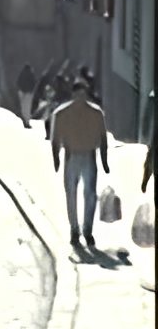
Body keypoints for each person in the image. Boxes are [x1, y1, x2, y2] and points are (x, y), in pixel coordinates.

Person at [50, 80, 110, 248]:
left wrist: (104, 160)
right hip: (73, 156)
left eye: (82, 94)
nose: (80, 98)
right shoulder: (62, 113)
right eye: (78, 94)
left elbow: (103, 138)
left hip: (87, 156)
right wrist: (56, 158)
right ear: (74, 94)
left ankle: (86, 230)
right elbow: (55, 139)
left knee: (88, 195)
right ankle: (76, 230)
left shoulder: (95, 113)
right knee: (73, 194)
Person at [16, 63, 37, 129]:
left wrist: (20, 89)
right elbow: (34, 83)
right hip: (28, 93)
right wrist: (31, 91)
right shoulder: (31, 75)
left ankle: (23, 120)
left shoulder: (21, 74)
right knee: (27, 108)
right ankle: (26, 122)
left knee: (22, 107)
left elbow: (18, 82)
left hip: (22, 92)